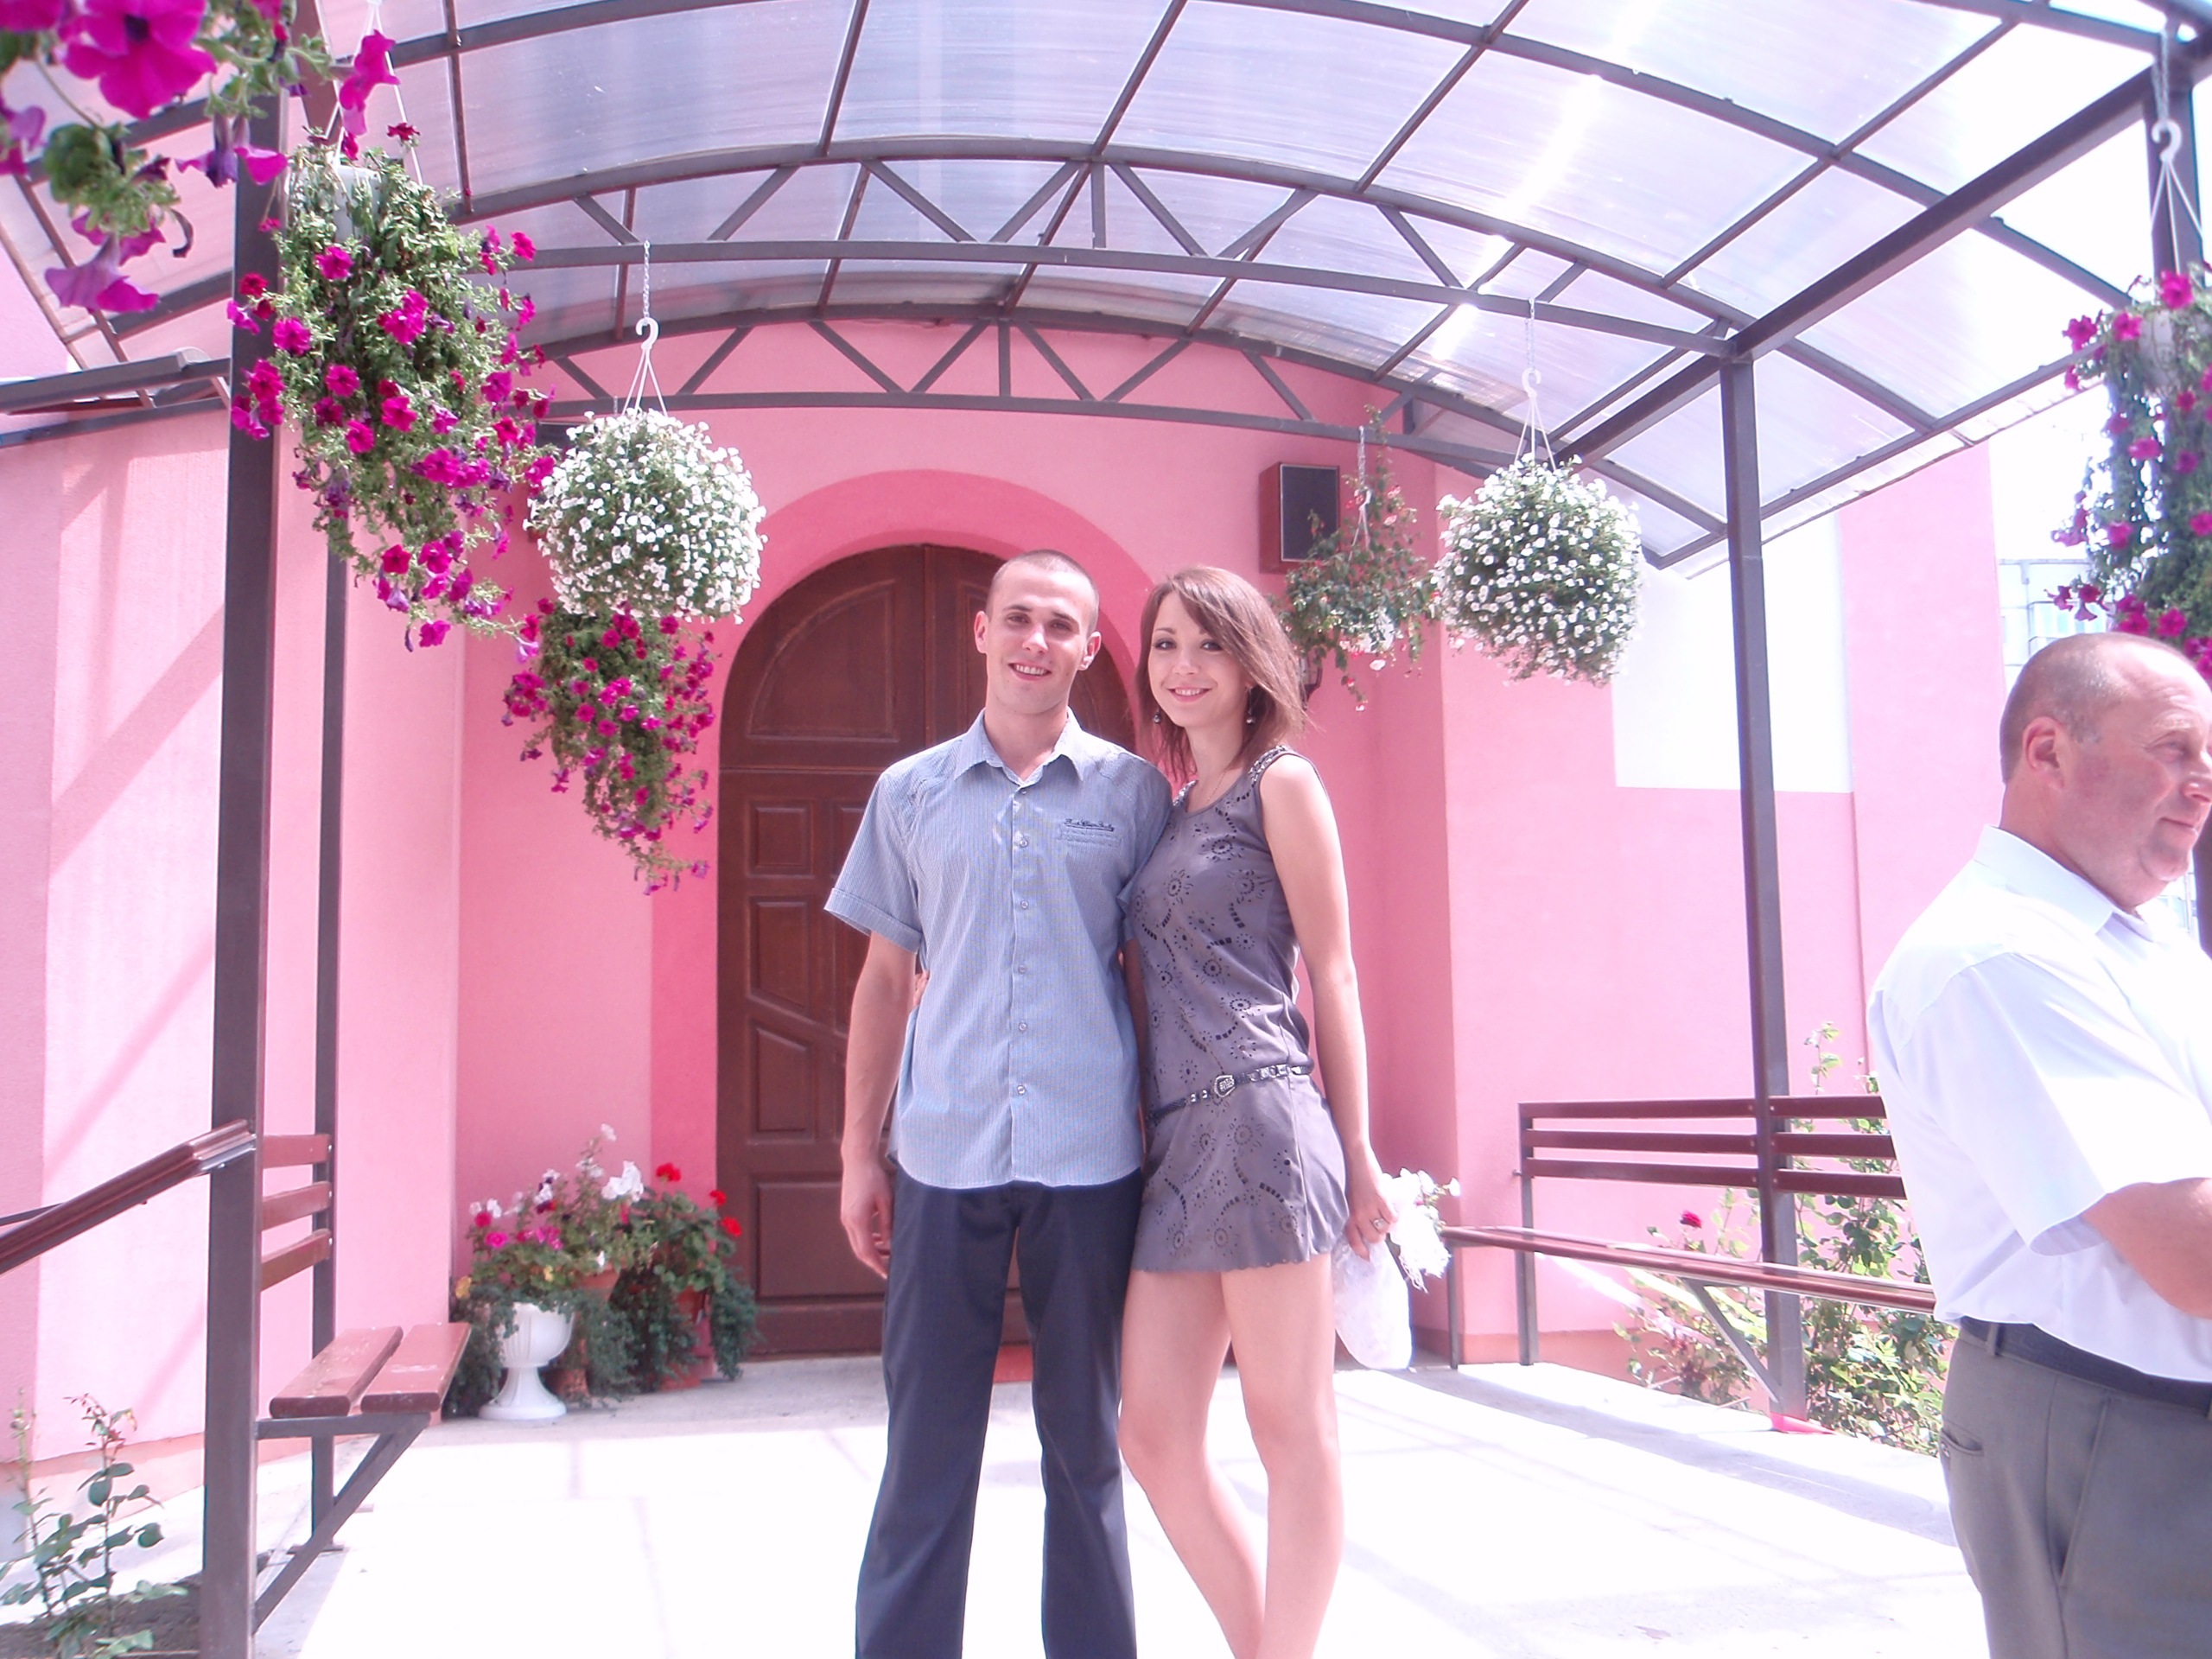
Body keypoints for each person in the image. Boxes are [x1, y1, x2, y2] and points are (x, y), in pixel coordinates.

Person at [827, 548, 1173, 1659]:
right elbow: (884, 981)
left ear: (1089, 648)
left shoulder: (1132, 795)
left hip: (1092, 1159)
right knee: (925, 1450)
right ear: (981, 631)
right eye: (1018, 618)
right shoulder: (910, 792)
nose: (1036, 641)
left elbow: (1151, 976)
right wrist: (859, 1155)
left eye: (1061, 625)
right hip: (943, 1154)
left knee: (1087, 1448)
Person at [1867, 630, 2212, 1659]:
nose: (2201, 784)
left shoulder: (2135, 943)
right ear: (2049, 751)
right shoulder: (2002, 954)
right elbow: (2192, 1256)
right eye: (2174, 750)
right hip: (2119, 1437)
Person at [1114, 566, 1394, 1659]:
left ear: (1251, 663)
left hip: (1263, 1121)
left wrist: (1358, 1151)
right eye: (1165, 644)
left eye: (1209, 644)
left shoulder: (1284, 782)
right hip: (1178, 1143)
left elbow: (1335, 973)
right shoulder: (1169, 807)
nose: (1183, 667)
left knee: (1289, 1425)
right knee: (1152, 1435)